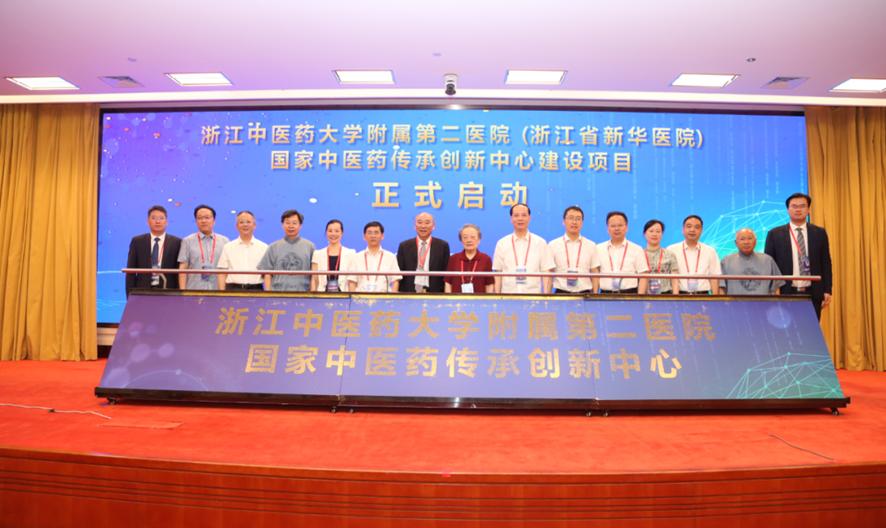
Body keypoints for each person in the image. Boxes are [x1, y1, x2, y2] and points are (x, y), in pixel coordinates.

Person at [764, 192, 833, 319]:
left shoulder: (819, 233)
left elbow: (825, 262)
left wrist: (827, 290)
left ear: (808, 210)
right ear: (788, 210)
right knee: (787, 329)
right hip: (785, 292)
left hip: (813, 293)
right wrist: (771, 291)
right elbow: (768, 265)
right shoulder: (774, 234)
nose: (798, 209)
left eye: (802, 206)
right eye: (794, 206)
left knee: (811, 328)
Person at [492, 203, 555, 294]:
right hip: (508, 296)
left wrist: (546, 297)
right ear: (511, 219)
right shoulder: (502, 243)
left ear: (529, 218)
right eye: (516, 215)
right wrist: (498, 297)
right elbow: (498, 272)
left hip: (533, 296)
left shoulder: (540, 243)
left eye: (524, 215)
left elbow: (546, 272)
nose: (520, 218)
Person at [125, 205, 182, 296]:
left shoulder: (177, 242)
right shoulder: (137, 241)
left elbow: (179, 272)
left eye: (161, 218)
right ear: (148, 221)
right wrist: (130, 296)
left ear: (166, 222)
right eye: (154, 218)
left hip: (169, 292)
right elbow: (130, 271)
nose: (158, 221)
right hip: (142, 292)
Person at [257, 209, 315, 291]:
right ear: (282, 224)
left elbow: (314, 275)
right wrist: (269, 294)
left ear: (300, 225)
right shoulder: (273, 247)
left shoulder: (310, 247)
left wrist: (312, 294)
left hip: (303, 294)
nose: (291, 226)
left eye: (294, 223)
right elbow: (267, 274)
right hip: (278, 294)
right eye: (287, 223)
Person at [548, 206, 600, 294]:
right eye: (571, 218)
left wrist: (595, 296)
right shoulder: (553, 245)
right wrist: (547, 297)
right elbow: (549, 274)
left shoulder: (591, 245)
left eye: (578, 219)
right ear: (564, 221)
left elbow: (594, 273)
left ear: (582, 222)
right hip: (561, 294)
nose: (574, 222)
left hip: (585, 294)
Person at [177, 204, 230, 290]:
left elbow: (228, 268)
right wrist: (183, 292)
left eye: (207, 217)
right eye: (200, 218)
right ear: (196, 221)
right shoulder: (187, 241)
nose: (203, 221)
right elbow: (183, 268)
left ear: (214, 220)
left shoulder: (225, 241)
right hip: (193, 290)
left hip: (218, 291)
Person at [666, 215, 721, 295]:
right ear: (683, 230)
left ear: (701, 231)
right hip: (679, 295)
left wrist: (715, 299)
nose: (692, 230)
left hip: (703, 295)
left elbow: (714, 277)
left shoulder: (710, 251)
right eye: (689, 226)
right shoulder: (671, 250)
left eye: (696, 227)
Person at [396, 212, 451, 293]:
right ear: (414, 226)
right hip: (409, 292)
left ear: (433, 226)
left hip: (435, 292)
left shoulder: (442, 246)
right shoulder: (404, 246)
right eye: (420, 222)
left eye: (427, 223)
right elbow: (399, 273)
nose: (423, 226)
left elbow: (446, 273)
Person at [596, 211, 648, 294]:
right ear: (608, 229)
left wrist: (639, 298)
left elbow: (643, 275)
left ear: (626, 227)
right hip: (605, 294)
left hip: (630, 294)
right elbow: (595, 273)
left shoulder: (637, 249)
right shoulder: (598, 248)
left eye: (620, 225)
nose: (617, 229)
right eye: (613, 226)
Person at [721, 228, 784, 295]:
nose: (746, 242)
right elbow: (722, 288)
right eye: (742, 239)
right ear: (736, 243)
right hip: (735, 301)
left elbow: (777, 287)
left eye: (750, 238)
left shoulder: (768, 260)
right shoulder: (726, 261)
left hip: (763, 301)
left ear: (755, 241)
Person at [216, 210, 268, 290]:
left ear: (254, 225)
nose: (245, 225)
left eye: (248, 222)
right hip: (233, 289)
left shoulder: (264, 247)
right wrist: (221, 294)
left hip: (256, 289)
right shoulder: (228, 247)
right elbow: (222, 273)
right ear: (236, 226)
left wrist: (268, 294)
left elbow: (267, 275)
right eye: (241, 222)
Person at [346, 221, 402, 293]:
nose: (373, 236)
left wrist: (392, 298)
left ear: (382, 236)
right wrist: (353, 298)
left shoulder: (390, 257)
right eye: (369, 233)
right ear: (364, 236)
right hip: (361, 298)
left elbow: (395, 280)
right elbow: (352, 281)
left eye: (376, 232)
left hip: (384, 297)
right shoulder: (356, 257)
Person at [445, 224, 494, 294]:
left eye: (473, 237)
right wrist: (448, 299)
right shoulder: (453, 258)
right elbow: (448, 283)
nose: (469, 240)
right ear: (461, 240)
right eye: (465, 237)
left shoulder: (486, 259)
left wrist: (488, 300)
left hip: (479, 300)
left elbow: (489, 284)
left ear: (479, 240)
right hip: (456, 300)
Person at [311, 219, 356, 292]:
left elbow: (352, 280)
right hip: (322, 295)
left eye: (337, 231)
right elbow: (314, 279)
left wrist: (351, 297)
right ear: (326, 233)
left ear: (342, 233)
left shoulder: (351, 253)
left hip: (344, 295)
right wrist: (313, 295)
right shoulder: (317, 254)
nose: (333, 234)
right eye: (330, 231)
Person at [642, 219, 680, 295]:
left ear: (662, 234)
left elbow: (675, 278)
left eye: (658, 231)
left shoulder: (670, 254)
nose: (654, 234)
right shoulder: (639, 254)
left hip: (665, 295)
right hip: (645, 295)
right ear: (644, 234)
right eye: (651, 231)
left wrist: (675, 297)